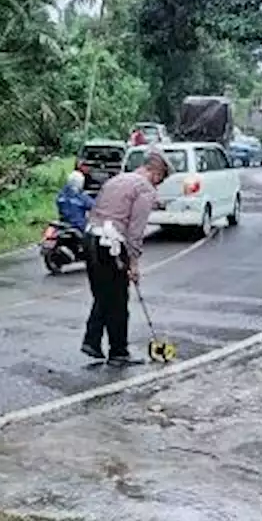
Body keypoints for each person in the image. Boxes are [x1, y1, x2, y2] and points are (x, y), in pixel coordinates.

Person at [81, 150, 170, 366]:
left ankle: (92, 341)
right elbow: (135, 231)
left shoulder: (117, 179)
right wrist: (134, 264)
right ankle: (119, 352)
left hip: (90, 236)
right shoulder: (145, 189)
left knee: (104, 294)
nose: (157, 187)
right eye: (159, 181)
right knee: (118, 299)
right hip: (111, 243)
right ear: (156, 174)